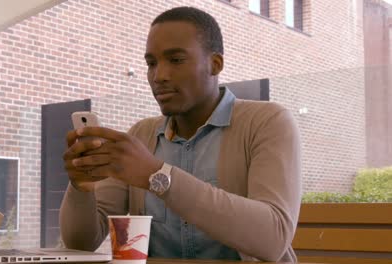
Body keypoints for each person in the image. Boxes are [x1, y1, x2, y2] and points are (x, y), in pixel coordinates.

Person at [60, 6, 301, 262]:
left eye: (176, 60)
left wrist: (158, 176)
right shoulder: (141, 135)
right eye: (151, 63)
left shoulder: (268, 122)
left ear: (215, 64)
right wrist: (81, 188)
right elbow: (81, 243)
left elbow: (273, 238)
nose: (159, 76)